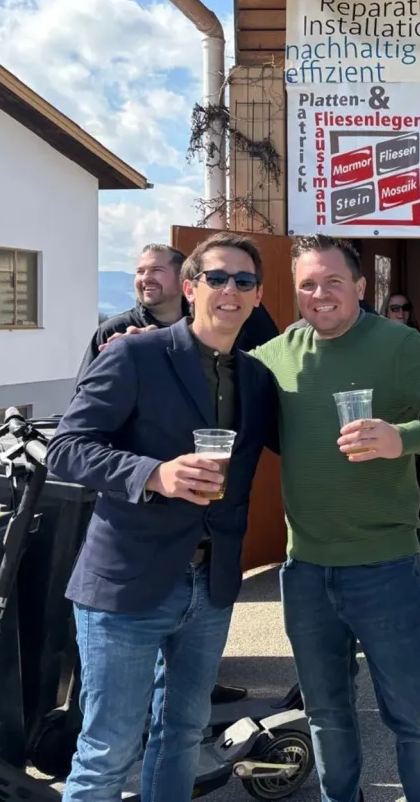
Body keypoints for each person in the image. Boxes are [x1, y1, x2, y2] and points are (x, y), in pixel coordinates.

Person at [47, 233, 279, 802]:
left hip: (210, 584)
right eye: (218, 278)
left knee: (182, 736)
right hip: (128, 584)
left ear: (257, 296)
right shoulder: (134, 353)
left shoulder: (254, 378)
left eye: (243, 281)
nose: (230, 290)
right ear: (191, 286)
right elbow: (67, 448)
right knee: (107, 751)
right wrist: (154, 474)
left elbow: (299, 442)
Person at [250, 234, 420, 802]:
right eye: (308, 283)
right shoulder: (278, 354)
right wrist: (147, 347)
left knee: (411, 715)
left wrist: (401, 437)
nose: (320, 293)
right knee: (327, 714)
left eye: (333, 281)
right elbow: (211, 378)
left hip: (383, 567)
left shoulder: (397, 344)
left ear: (359, 286)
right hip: (304, 570)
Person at [82, 242, 280, 381]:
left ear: (182, 280)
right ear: (189, 288)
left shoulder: (233, 319)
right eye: (140, 271)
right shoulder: (118, 334)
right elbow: (83, 413)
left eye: (157, 270)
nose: (146, 278)